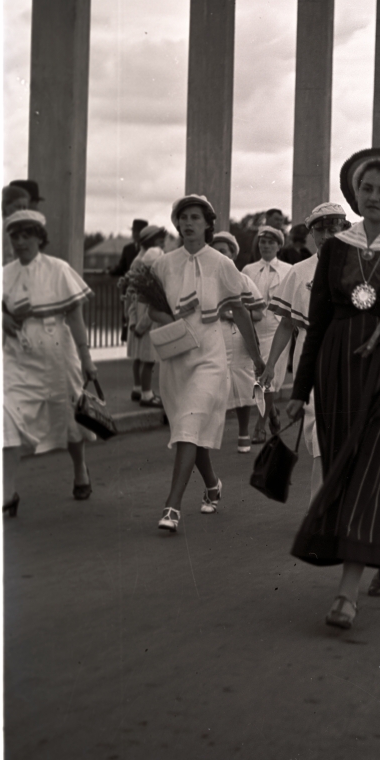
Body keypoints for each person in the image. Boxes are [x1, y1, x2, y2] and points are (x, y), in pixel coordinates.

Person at [265, 149, 380, 631]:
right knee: (356, 466)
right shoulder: (337, 249)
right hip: (338, 370)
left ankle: (347, 594)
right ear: (355, 192)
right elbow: (319, 323)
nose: (374, 197)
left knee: (371, 467)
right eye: (367, 188)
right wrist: (298, 391)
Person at [148, 195, 265, 532]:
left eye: (195, 217)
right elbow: (150, 310)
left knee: (190, 424)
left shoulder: (221, 263)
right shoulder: (163, 264)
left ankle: (172, 506)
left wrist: (257, 358)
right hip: (175, 358)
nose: (188, 223)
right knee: (189, 431)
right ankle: (212, 484)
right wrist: (170, 315)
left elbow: (241, 311)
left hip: (210, 359)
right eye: (182, 217)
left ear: (207, 223)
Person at [3, 210, 98, 516]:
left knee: (70, 417)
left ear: (39, 238)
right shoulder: (3, 274)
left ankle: (80, 468)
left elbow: (75, 318)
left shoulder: (58, 269)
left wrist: (87, 359)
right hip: (18, 355)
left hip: (58, 352)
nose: (20, 242)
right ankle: (6, 493)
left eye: (26, 235)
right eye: (14, 236)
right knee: (8, 417)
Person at [263, 202, 351, 500]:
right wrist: (270, 364)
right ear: (312, 233)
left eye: (333, 228)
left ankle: (321, 505)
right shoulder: (299, 273)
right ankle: (324, 503)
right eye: (320, 229)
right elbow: (286, 325)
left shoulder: (361, 266)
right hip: (311, 361)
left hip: (351, 360)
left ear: (344, 230)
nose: (326, 235)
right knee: (319, 430)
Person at [210, 231, 265, 453]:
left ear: (232, 254)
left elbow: (259, 313)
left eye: (223, 251)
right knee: (213, 384)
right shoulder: (205, 280)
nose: (219, 255)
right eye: (214, 251)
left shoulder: (243, 280)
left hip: (240, 340)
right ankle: (212, 435)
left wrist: (233, 315)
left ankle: (243, 433)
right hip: (215, 338)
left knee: (243, 385)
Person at [242, 225, 293, 442]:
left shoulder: (289, 269)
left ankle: (259, 426)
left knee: (269, 378)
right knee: (256, 378)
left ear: (279, 245)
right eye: (262, 242)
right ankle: (271, 412)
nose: (266, 246)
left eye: (271, 242)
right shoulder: (248, 270)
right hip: (254, 330)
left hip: (277, 330)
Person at [126, 224, 168, 408]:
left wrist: (131, 320)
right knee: (148, 359)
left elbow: (130, 297)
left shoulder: (141, 261)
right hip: (146, 322)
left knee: (139, 357)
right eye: (160, 242)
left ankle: (138, 388)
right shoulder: (146, 263)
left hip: (137, 319)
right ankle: (146, 393)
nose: (163, 246)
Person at [109, 218, 148, 345]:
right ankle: (129, 341)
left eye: (138, 231)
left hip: (143, 291)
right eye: (134, 231)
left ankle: (138, 342)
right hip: (129, 290)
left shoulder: (149, 250)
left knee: (140, 316)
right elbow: (122, 267)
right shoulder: (128, 248)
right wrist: (111, 270)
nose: (135, 234)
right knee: (127, 315)